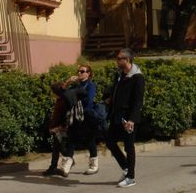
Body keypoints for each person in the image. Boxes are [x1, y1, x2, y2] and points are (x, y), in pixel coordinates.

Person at [107, 48, 145, 188]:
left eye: (119, 58)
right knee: (110, 142)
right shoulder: (119, 75)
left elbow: (138, 101)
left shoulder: (138, 78)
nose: (117, 61)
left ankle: (131, 177)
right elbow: (115, 91)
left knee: (129, 147)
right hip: (116, 116)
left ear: (127, 60)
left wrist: (132, 119)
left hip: (128, 119)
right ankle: (126, 167)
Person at [61, 64, 100, 176]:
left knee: (90, 140)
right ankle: (66, 166)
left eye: (83, 71)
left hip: (87, 116)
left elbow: (89, 99)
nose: (80, 73)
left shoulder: (91, 85)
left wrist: (76, 99)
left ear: (88, 73)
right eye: (79, 71)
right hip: (75, 115)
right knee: (71, 140)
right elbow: (63, 94)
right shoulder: (74, 86)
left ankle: (94, 165)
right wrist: (68, 81)